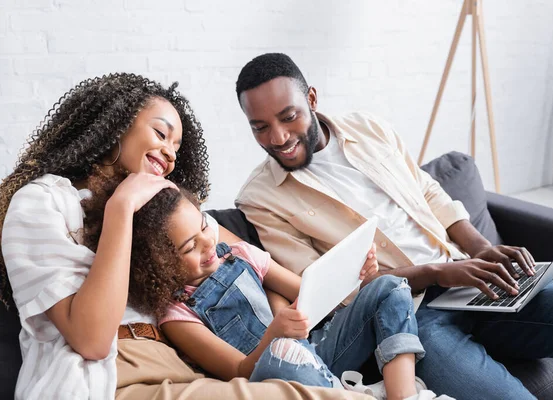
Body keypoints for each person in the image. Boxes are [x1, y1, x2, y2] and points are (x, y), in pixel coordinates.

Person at [233, 53, 553, 400]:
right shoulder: (261, 197)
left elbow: (428, 192)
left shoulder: (368, 128)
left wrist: (480, 249)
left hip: (474, 284)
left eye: (289, 116)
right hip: (413, 317)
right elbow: (328, 292)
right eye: (260, 127)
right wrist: (440, 272)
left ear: (311, 98)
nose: (278, 138)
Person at [0, 73, 369, 400]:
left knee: (303, 386)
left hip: (183, 367)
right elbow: (93, 341)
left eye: (176, 148)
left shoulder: (161, 210)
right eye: (160, 133)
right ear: (114, 125)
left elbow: (248, 261)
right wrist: (121, 208)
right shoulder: (41, 202)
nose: (170, 154)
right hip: (112, 379)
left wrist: (349, 279)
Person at [81, 173, 439, 400]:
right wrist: (274, 336)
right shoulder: (176, 316)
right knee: (288, 354)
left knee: (391, 286)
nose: (208, 245)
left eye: (204, 227)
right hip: (280, 369)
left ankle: (402, 394)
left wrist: (356, 275)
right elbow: (240, 372)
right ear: (157, 266)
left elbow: (313, 294)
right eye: (189, 246)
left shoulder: (238, 252)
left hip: (317, 346)